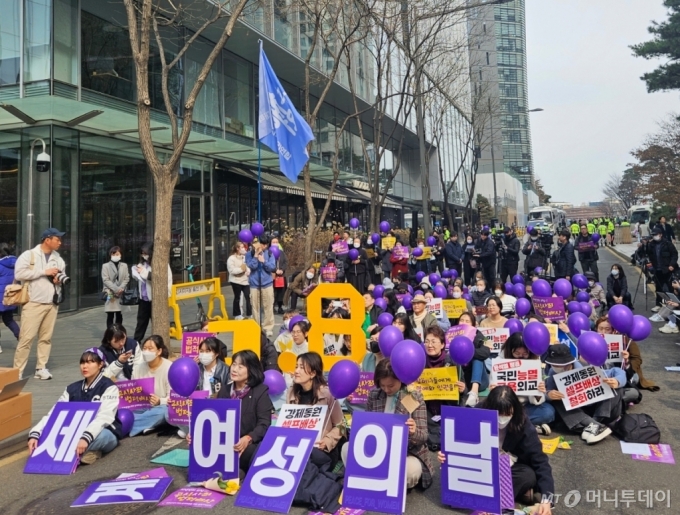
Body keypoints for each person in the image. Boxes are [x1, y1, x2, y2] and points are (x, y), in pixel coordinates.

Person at [438, 386, 555, 511]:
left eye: (507, 414)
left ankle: (491, 499)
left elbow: (540, 460)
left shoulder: (522, 422)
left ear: (514, 410)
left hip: (508, 466)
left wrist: (547, 499)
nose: (502, 418)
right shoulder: (475, 414)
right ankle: (512, 494)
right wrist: (445, 454)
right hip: (479, 465)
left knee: (528, 475)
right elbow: (456, 441)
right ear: (489, 408)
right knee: (454, 493)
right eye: (499, 414)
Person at [345, 358, 434, 490]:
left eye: (391, 385)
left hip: (406, 452)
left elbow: (424, 436)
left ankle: (390, 482)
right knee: (346, 448)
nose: (386, 389)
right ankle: (374, 478)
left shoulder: (413, 397)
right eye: (382, 385)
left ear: (401, 380)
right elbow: (368, 423)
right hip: (378, 449)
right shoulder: (374, 395)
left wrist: (414, 431)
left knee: (411, 469)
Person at [28, 348, 122, 465]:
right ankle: (85, 452)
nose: (85, 366)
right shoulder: (71, 389)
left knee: (105, 437)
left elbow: (105, 417)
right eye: (82, 362)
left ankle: (81, 450)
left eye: (90, 362)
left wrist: (86, 438)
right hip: (73, 432)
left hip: (100, 431)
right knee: (42, 438)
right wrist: (35, 433)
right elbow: (54, 414)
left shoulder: (109, 387)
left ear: (100, 364)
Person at [13, 227, 67, 380]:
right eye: (57, 239)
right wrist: (44, 272)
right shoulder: (29, 255)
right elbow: (19, 274)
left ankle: (41, 367)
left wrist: (58, 280)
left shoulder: (58, 258)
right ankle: (17, 371)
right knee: (26, 338)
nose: (60, 242)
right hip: (33, 302)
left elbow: (62, 276)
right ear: (47, 239)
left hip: (52, 303)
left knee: (46, 338)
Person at [545, 344, 624, 445]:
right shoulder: (552, 372)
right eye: (554, 365)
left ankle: (595, 424)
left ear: (570, 362)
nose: (557, 367)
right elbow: (546, 393)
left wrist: (617, 381)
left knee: (616, 388)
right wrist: (549, 395)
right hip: (578, 413)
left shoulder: (586, 366)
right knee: (557, 400)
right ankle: (596, 426)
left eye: (560, 365)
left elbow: (617, 371)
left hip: (600, 410)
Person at [215, 350, 273, 476]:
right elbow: (216, 420)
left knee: (252, 452)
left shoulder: (260, 392)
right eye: (234, 364)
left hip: (248, 442)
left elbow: (264, 423)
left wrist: (248, 438)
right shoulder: (224, 390)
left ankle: (239, 470)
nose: (234, 369)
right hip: (225, 442)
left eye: (240, 366)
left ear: (251, 370)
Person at [287, 352, 346, 467]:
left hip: (321, 449)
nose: (297, 371)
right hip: (297, 447)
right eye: (296, 366)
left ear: (313, 373)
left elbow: (341, 425)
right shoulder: (291, 393)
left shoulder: (327, 394)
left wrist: (328, 441)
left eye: (302, 367)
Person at [499, 333, 555, 433]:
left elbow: (537, 400)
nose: (521, 357)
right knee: (492, 411)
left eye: (525, 354)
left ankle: (513, 425)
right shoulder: (500, 363)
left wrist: (538, 392)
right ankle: (527, 426)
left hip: (525, 407)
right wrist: (494, 390)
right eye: (517, 353)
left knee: (548, 412)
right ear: (509, 351)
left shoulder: (534, 363)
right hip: (506, 406)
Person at [422, 325, 466, 450]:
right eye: (427, 341)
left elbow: (463, 393)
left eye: (433, 341)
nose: (429, 345)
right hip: (427, 410)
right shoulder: (419, 362)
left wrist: (463, 389)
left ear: (442, 345)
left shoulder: (452, 362)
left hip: (448, 408)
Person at [129, 335, 173, 436]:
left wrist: (159, 401)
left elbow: (173, 398)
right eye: (144, 348)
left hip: (160, 407)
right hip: (142, 406)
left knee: (165, 412)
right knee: (123, 410)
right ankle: (147, 424)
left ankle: (129, 425)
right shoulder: (137, 368)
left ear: (159, 351)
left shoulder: (169, 368)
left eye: (150, 349)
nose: (146, 352)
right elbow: (132, 392)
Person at [131, 243, 172, 343]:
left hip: (156, 299)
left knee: (156, 322)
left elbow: (158, 278)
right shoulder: (142, 264)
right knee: (141, 322)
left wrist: (144, 272)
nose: (144, 255)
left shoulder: (160, 264)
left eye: (146, 253)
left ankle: (159, 342)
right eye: (142, 253)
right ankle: (136, 342)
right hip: (144, 298)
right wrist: (136, 273)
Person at [457, 312, 490, 407]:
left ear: (473, 324)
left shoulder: (479, 335)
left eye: (467, 321)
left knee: (477, 358)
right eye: (461, 320)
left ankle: (474, 393)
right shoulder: (452, 335)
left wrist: (467, 351)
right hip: (461, 381)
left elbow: (486, 352)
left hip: (478, 380)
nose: (464, 323)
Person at [247, 235, 277, 338]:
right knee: (255, 307)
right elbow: (251, 266)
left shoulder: (269, 253)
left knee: (268, 306)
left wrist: (264, 261)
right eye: (262, 244)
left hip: (267, 283)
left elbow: (273, 267)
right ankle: (256, 326)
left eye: (265, 245)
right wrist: (255, 256)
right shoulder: (249, 254)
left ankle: (268, 328)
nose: (263, 246)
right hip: (254, 284)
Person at [646, 227, 678, 312]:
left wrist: (672, 264)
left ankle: (673, 304)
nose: (654, 236)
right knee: (659, 288)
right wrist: (646, 244)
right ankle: (658, 304)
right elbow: (647, 254)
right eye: (653, 235)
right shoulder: (651, 244)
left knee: (670, 288)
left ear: (660, 234)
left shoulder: (667, 243)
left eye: (656, 235)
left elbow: (674, 255)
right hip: (657, 270)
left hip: (667, 270)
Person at [101, 246, 130, 328]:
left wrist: (121, 288)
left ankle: (118, 332)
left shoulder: (124, 265)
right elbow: (105, 280)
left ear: (121, 255)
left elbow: (127, 278)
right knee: (110, 314)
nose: (116, 256)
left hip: (121, 292)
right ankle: (110, 334)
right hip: (110, 292)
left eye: (117, 254)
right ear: (110, 254)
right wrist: (117, 289)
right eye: (114, 254)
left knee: (119, 314)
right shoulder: (105, 266)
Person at [0, 246, 20, 353]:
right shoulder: (16, 264)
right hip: (10, 298)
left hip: (0, 298)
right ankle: (20, 338)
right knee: (9, 320)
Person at [227, 242, 251, 320]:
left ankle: (250, 313)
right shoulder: (231, 258)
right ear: (237, 248)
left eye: (243, 247)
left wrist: (248, 271)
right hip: (235, 280)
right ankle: (237, 314)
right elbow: (231, 270)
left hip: (245, 280)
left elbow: (247, 266)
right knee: (237, 297)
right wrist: (241, 269)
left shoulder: (244, 257)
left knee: (248, 296)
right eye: (241, 247)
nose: (243, 249)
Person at [270, 236, 288, 315]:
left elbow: (285, 262)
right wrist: (275, 270)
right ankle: (272, 307)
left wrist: (282, 270)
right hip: (272, 275)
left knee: (281, 292)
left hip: (281, 275)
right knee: (273, 292)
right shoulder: (268, 252)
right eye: (273, 242)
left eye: (276, 242)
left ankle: (280, 307)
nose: (275, 244)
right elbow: (267, 264)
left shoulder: (281, 252)